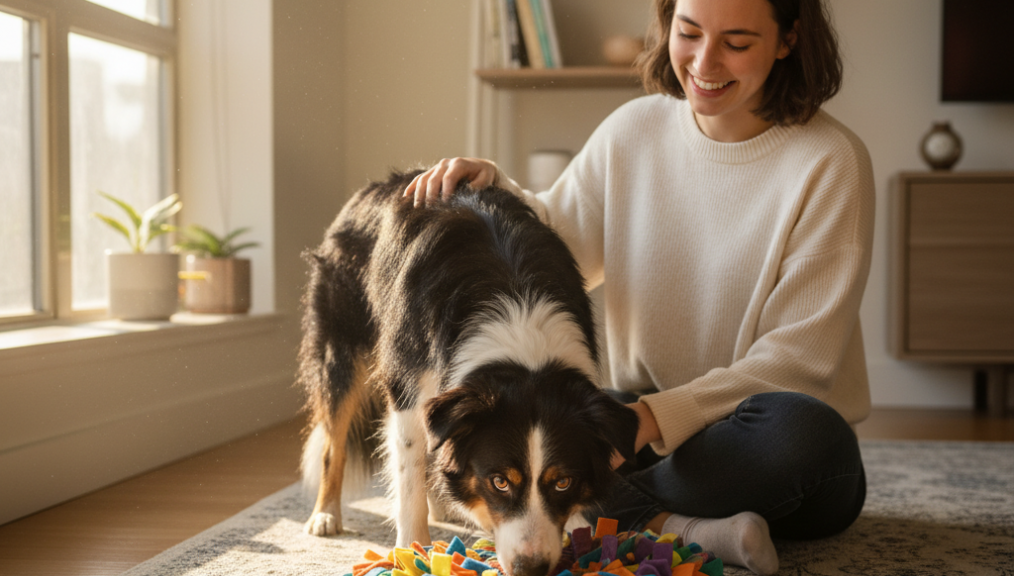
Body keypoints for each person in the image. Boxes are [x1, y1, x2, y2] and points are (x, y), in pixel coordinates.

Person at [404, 0, 873, 574]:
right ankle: (690, 531)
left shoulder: (831, 161)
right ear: (667, 24)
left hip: (760, 435)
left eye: (738, 42)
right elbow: (559, 242)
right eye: (689, 32)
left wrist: (655, 417)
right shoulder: (633, 130)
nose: (704, 61)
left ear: (788, 39)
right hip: (640, 423)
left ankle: (632, 516)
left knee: (803, 432)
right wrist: (498, 187)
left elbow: (798, 361)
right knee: (561, 421)